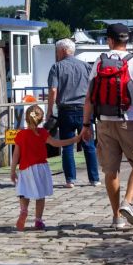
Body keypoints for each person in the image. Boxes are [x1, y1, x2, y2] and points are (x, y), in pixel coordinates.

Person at [81, 23, 133, 228]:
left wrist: (86, 124)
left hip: (103, 122)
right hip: (129, 122)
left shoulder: (99, 62)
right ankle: (128, 203)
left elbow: (89, 98)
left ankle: (116, 218)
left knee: (111, 171)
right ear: (126, 40)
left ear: (109, 40)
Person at [10, 105, 81, 230]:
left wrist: (12, 171)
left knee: (24, 192)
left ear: (26, 118)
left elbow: (16, 155)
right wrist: (74, 139)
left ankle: (24, 211)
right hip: (41, 168)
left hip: (25, 169)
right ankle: (38, 220)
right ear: (41, 119)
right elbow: (56, 143)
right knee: (40, 195)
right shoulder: (42, 133)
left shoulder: (21, 134)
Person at [46, 38, 100, 188]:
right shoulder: (86, 67)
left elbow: (53, 90)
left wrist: (50, 110)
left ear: (63, 51)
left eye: (57, 51)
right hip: (85, 110)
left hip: (66, 111)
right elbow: (93, 89)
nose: (56, 54)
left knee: (67, 146)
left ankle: (70, 180)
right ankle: (94, 179)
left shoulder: (56, 67)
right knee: (89, 145)